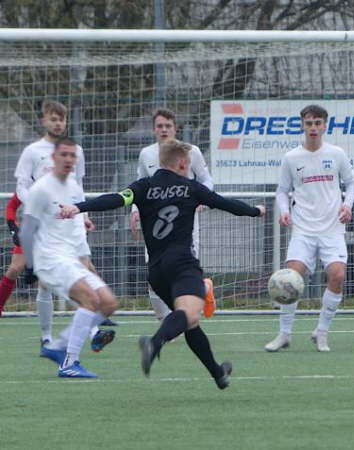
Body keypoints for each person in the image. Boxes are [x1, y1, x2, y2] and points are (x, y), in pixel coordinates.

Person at [60, 139, 265, 389]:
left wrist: (78, 207)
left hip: (156, 271)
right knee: (188, 314)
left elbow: (114, 199)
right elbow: (227, 205)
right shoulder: (191, 188)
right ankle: (154, 343)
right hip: (182, 263)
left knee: (188, 321)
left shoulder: (143, 187)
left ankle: (218, 373)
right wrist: (256, 211)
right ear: (181, 163)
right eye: (188, 164)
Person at [12, 100, 114, 348]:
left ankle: (92, 332)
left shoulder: (75, 150)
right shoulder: (33, 151)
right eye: (53, 119)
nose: (58, 123)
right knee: (46, 284)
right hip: (46, 226)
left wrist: (84, 215)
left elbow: (77, 187)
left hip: (71, 222)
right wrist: (36, 208)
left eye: (61, 119)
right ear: (43, 121)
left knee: (82, 271)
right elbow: (22, 185)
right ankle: (47, 337)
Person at [20, 137, 119, 378]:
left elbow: (75, 221)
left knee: (108, 303)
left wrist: (83, 237)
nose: (68, 159)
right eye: (63, 154)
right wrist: (31, 266)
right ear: (53, 157)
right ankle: (69, 363)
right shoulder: (41, 188)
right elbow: (26, 230)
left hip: (70, 257)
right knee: (89, 299)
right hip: (49, 260)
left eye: (72, 155)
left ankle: (56, 346)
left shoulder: (74, 187)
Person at [264, 104, 354, 353]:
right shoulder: (291, 158)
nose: (313, 127)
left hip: (332, 230)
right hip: (303, 230)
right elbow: (282, 191)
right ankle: (284, 334)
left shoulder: (336, 154)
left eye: (318, 123)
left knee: (337, 275)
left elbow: (351, 183)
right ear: (303, 126)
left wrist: (347, 205)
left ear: (325, 126)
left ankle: (322, 332)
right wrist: (284, 211)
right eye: (309, 123)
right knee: (290, 278)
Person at [130, 108, 214, 321]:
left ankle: (186, 309)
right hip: (155, 226)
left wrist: (202, 198)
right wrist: (134, 211)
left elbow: (206, 179)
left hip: (185, 223)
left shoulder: (191, 151)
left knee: (184, 271)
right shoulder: (146, 154)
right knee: (154, 274)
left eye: (168, 126)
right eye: (160, 126)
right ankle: (164, 318)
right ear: (154, 129)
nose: (164, 129)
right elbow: (139, 185)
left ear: (175, 128)